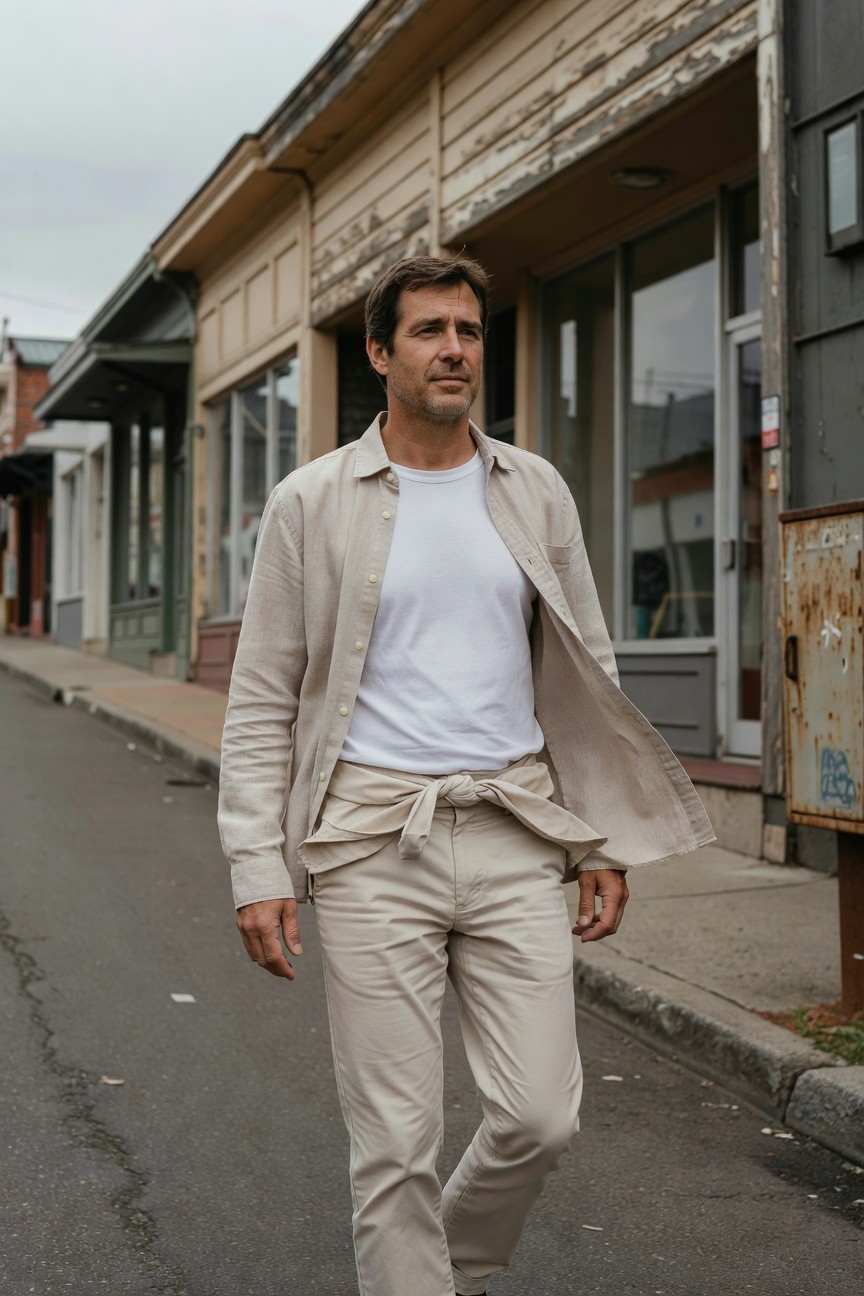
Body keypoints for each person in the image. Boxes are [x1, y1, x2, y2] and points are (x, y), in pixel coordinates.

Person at [218, 254, 713, 1296]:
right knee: (394, 1141)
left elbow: (587, 675)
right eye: (432, 330)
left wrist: (602, 840)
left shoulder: (531, 488)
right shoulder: (313, 502)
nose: (455, 349)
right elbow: (262, 697)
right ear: (379, 353)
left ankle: (445, 1267)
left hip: (514, 822)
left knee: (540, 1115)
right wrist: (255, 864)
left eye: (470, 331)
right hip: (366, 836)